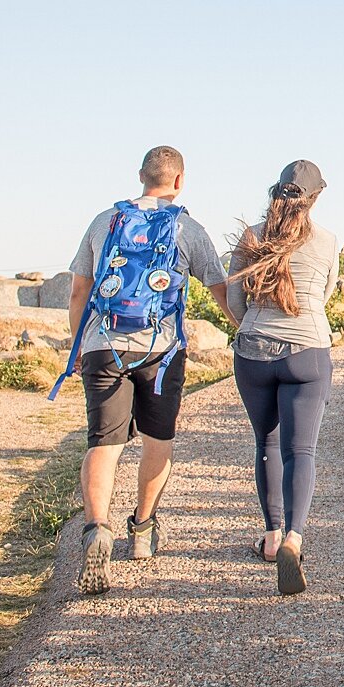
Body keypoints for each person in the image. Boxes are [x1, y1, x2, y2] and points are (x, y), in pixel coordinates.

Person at [68, 146, 237, 595]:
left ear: (140, 176)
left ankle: (96, 529)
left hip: (104, 344)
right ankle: (142, 531)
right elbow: (220, 290)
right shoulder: (188, 227)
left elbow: (79, 291)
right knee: (158, 441)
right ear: (179, 181)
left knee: (104, 442)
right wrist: (245, 327)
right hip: (160, 353)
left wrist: (79, 345)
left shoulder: (105, 221)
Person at [226, 159, 341, 595]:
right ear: (314, 198)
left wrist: (256, 324)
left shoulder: (251, 236)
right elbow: (324, 295)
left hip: (253, 352)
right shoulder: (328, 241)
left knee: (267, 443)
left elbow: (236, 301)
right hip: (307, 352)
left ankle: (271, 537)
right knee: (301, 450)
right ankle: (295, 537)